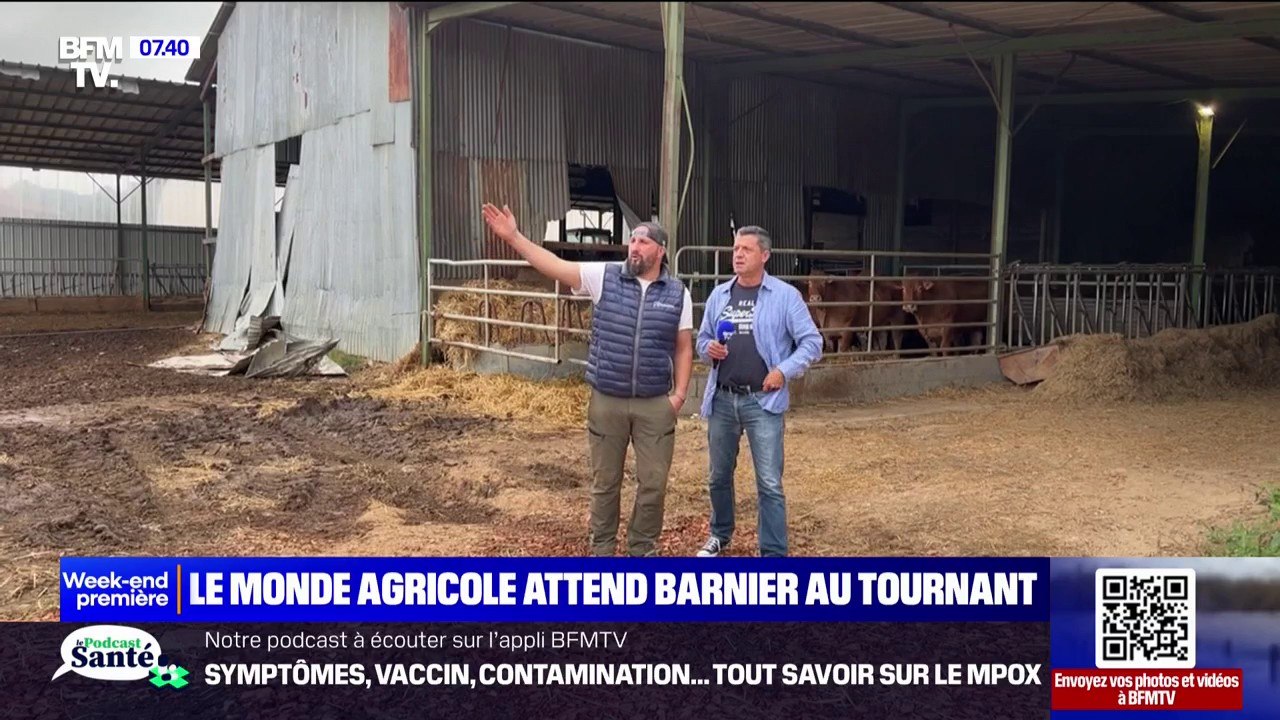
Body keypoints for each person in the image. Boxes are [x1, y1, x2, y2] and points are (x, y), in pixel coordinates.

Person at [480, 203, 694, 557]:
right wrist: (514, 237)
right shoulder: (605, 277)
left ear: (660, 251)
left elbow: (683, 347)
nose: (635, 246)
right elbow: (555, 266)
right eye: (633, 240)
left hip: (655, 403)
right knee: (605, 481)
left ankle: (642, 549)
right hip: (607, 399)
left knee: (654, 484)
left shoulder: (677, 293)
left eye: (644, 242)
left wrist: (680, 395)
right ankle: (602, 549)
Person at [694, 225, 823, 558]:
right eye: (735, 249)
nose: (738, 255)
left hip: (762, 402)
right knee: (718, 476)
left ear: (764, 255)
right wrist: (708, 348)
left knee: (769, 482)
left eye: (746, 250)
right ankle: (719, 534)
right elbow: (702, 339)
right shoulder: (719, 295)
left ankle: (773, 553)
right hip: (722, 398)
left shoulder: (785, 296)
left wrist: (783, 371)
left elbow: (812, 342)